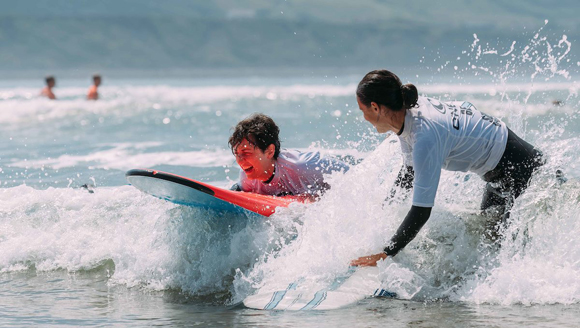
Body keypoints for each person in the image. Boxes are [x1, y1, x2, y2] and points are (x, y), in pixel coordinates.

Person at [350, 69, 544, 267]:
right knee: (490, 239)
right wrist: (384, 212)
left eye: (361, 110)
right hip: (506, 169)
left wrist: (385, 254)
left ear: (375, 107)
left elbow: (421, 212)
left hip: (520, 169)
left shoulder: (424, 136)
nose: (363, 117)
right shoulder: (408, 114)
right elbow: (409, 172)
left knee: (502, 248)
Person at [229, 113, 349, 199]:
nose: (240, 161)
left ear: (270, 151)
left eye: (246, 153)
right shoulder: (247, 178)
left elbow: (353, 175)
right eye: (237, 154)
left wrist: (314, 200)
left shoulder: (304, 166)